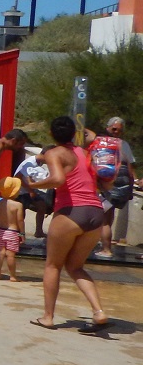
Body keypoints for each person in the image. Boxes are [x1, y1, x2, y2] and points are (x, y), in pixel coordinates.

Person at [24, 116, 110, 332]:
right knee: (75, 267)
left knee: (53, 265)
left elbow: (58, 179)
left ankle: (48, 317)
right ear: (74, 134)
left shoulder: (54, 153)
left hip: (72, 212)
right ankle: (99, 312)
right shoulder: (82, 152)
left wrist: (34, 184)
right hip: (96, 213)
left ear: (52, 134)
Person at [84, 116, 136, 254]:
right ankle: (102, 247)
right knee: (105, 218)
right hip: (109, 184)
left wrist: (131, 186)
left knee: (104, 219)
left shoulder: (105, 143)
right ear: (107, 127)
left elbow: (130, 166)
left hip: (108, 184)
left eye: (119, 130)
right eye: (114, 129)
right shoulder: (114, 143)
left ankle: (105, 249)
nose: (116, 132)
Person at [0, 176, 25, 282]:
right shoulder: (18, 205)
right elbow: (20, 221)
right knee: (10, 255)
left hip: (1, 230)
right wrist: (22, 234)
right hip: (13, 232)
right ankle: (12, 276)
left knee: (0, 253)